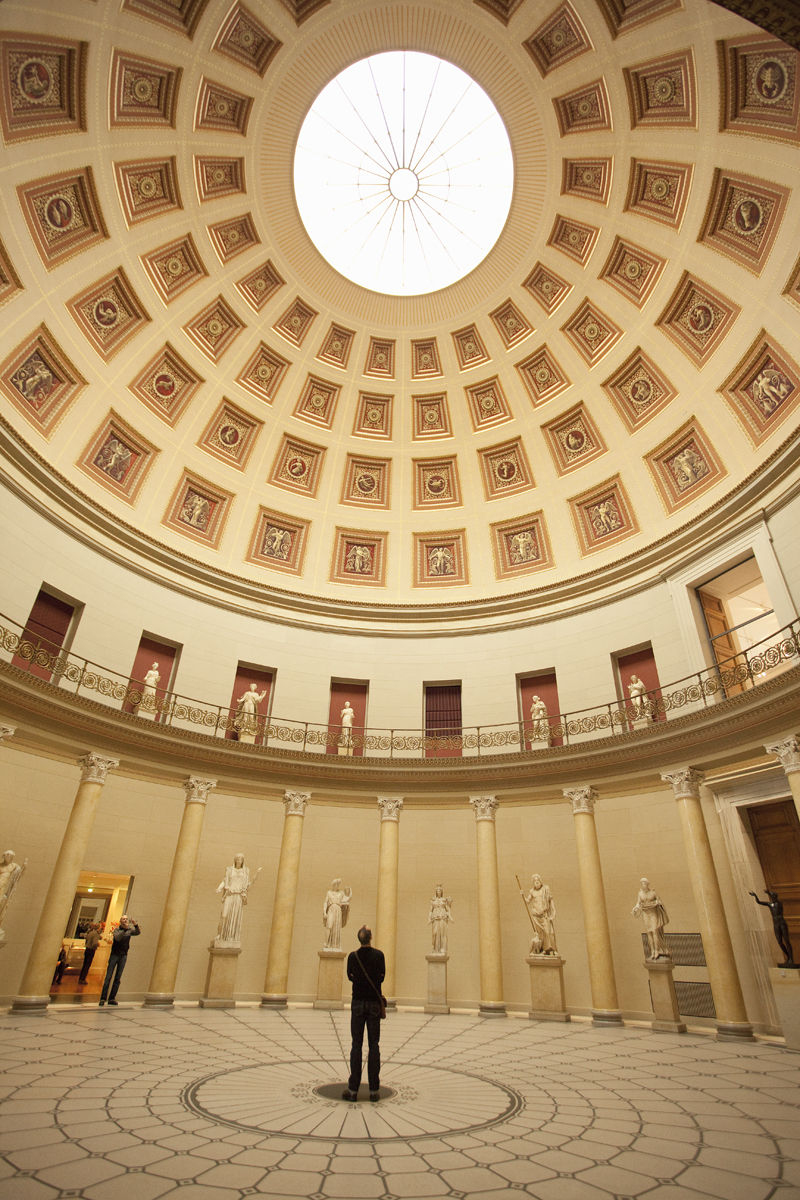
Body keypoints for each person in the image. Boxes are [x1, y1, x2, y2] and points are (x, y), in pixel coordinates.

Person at [342, 925, 385, 1102]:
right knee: (374, 1045)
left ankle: (353, 1090)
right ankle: (374, 1089)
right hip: (374, 1004)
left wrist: (358, 982)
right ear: (370, 937)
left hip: (358, 1002)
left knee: (356, 1045)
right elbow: (382, 976)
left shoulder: (353, 956)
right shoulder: (379, 955)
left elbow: (349, 976)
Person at [215, 854, 261, 946]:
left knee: (235, 917)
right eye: (237, 859)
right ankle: (220, 935)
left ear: (243, 861)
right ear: (235, 860)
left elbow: (248, 884)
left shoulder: (245, 871)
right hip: (229, 894)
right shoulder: (229, 869)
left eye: (241, 859)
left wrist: (257, 874)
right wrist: (219, 888)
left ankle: (231, 937)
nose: (239, 860)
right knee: (224, 915)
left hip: (238, 896)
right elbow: (225, 880)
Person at [99, 915, 140, 1006]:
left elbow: (137, 932)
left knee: (117, 978)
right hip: (114, 955)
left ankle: (112, 998)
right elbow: (117, 938)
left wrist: (135, 925)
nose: (125, 920)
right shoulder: (117, 930)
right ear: (120, 921)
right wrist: (125, 929)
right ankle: (103, 998)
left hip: (123, 955)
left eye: (126, 919)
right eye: (123, 919)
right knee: (108, 977)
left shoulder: (129, 930)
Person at [750, 889, 795, 964]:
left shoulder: (779, 903)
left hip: (782, 923)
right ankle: (788, 956)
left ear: (775, 897)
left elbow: (773, 895)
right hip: (776, 924)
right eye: (772, 897)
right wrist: (755, 896)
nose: (772, 898)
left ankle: (791, 958)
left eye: (773, 897)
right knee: (779, 941)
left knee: (786, 940)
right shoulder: (770, 904)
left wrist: (768, 892)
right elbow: (759, 902)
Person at [632, 878, 669, 959]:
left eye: (644, 883)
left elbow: (659, 901)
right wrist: (635, 908)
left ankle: (657, 950)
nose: (643, 884)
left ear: (647, 884)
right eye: (642, 883)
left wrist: (656, 903)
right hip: (645, 914)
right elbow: (638, 903)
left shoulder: (653, 892)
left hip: (653, 913)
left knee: (655, 930)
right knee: (649, 932)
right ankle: (652, 951)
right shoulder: (640, 893)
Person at [521, 874, 557, 954]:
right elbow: (527, 902)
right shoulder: (532, 891)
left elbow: (551, 900)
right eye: (534, 881)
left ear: (540, 881)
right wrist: (523, 895)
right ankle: (543, 950)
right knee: (540, 934)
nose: (536, 882)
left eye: (537, 880)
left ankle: (550, 949)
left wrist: (553, 911)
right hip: (536, 916)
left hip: (544, 915)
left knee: (548, 932)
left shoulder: (545, 889)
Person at [0, 849, 26, 930]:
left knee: (1, 903)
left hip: (4, 888)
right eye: (7, 855)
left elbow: (18, 874)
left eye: (10, 856)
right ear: (4, 856)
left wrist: (24, 867)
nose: (8, 857)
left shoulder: (14, 866)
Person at [322, 879, 351, 950]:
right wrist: (325, 912)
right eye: (336, 884)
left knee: (337, 927)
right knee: (329, 925)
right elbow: (325, 902)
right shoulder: (329, 893)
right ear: (333, 885)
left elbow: (347, 899)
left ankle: (335, 945)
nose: (337, 885)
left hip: (338, 910)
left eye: (338, 884)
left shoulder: (341, 893)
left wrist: (350, 892)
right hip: (331, 909)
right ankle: (326, 943)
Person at [428, 884, 453, 954]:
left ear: (442, 892)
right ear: (436, 892)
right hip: (435, 918)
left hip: (442, 918)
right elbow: (430, 910)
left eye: (440, 890)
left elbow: (448, 909)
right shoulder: (433, 900)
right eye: (437, 890)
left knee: (442, 934)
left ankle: (442, 949)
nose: (438, 892)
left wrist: (450, 916)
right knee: (435, 933)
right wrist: (429, 918)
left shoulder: (444, 900)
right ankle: (435, 949)